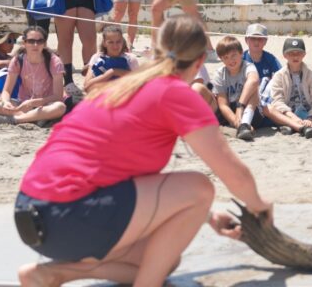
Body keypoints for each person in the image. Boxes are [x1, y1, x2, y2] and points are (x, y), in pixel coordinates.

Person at [13, 15, 271, 287]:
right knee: (199, 188)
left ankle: (53, 274)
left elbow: (110, 168)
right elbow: (234, 174)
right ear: (198, 63)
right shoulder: (176, 93)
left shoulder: (119, 88)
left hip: (32, 214)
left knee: (162, 259)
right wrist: (261, 210)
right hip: (68, 216)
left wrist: (206, 216)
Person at [267, 38, 312, 138]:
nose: (295, 56)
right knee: (270, 109)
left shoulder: (311, 74)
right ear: (285, 55)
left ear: (304, 55)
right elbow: (277, 101)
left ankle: (302, 127)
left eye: (299, 53)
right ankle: (299, 127)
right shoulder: (279, 75)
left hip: (309, 114)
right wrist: (292, 117)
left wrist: (311, 118)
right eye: (291, 53)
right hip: (288, 115)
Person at [0, 27, 67, 125]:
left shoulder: (54, 61)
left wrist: (33, 103)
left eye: (40, 41)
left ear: (45, 44)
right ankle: (33, 117)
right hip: (22, 104)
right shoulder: (17, 60)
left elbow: (57, 96)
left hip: (45, 105)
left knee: (60, 107)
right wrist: (5, 102)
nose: (35, 45)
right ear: (24, 43)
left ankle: (15, 119)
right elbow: (6, 91)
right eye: (31, 41)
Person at [204, 36, 260, 141]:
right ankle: (242, 127)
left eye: (234, 55)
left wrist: (240, 106)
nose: (231, 60)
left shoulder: (248, 66)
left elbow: (254, 80)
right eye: (226, 57)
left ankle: (246, 122)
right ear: (221, 59)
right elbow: (223, 105)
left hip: (248, 108)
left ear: (241, 53)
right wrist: (236, 122)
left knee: (254, 90)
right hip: (230, 110)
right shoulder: (220, 73)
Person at [83, 25, 140, 92]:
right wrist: (109, 74)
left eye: (118, 42)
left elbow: (138, 82)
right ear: (104, 43)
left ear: (123, 41)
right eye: (111, 42)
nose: (115, 46)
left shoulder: (130, 59)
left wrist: (115, 71)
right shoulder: (97, 57)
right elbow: (87, 86)